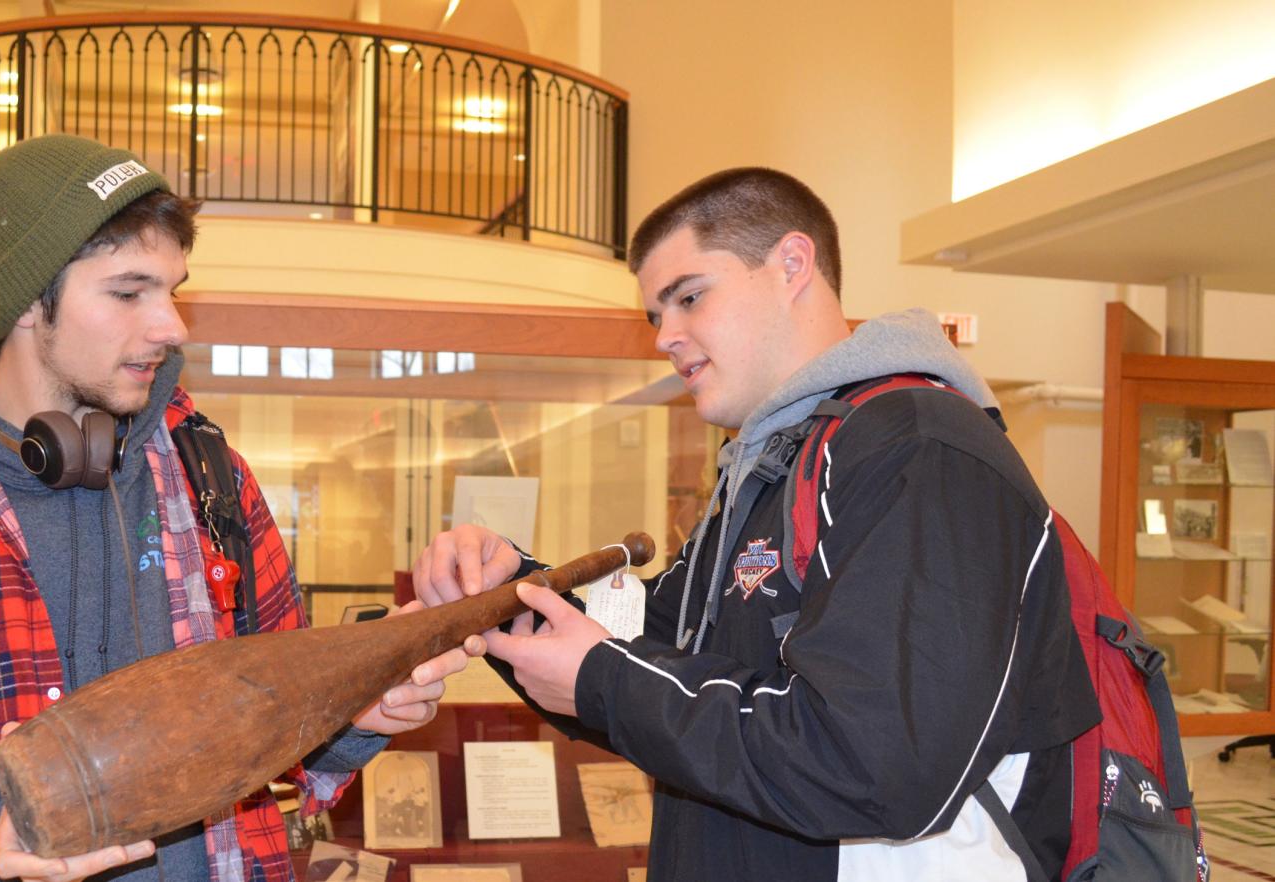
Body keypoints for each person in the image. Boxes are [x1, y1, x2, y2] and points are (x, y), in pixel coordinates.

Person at [0, 133, 473, 882]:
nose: (171, 327)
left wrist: (352, 717)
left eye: (172, 289)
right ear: (28, 301)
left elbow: (274, 706)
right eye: (127, 292)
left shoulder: (214, 477)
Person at [412, 168, 1101, 881]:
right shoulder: (775, 465)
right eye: (656, 314)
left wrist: (606, 679)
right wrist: (508, 588)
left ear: (791, 265)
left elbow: (875, 765)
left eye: (689, 297)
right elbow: (648, 651)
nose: (665, 337)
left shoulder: (921, 450)